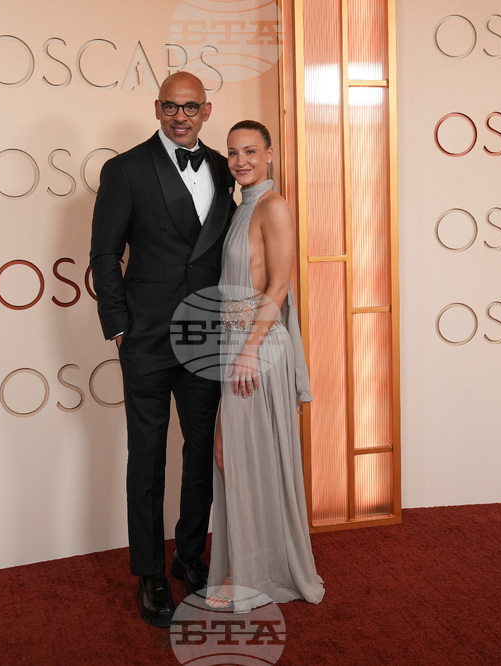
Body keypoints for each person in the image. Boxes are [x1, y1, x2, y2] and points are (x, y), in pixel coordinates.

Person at [89, 72, 236, 628]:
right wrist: (118, 326)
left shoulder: (224, 169)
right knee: (146, 460)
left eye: (191, 107)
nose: (181, 116)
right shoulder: (125, 169)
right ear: (157, 108)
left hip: (205, 337)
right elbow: (105, 255)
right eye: (171, 107)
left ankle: (189, 555)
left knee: (200, 454)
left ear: (207, 110)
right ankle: (149, 572)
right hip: (147, 337)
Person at [206, 120, 325, 612]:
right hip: (234, 343)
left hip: (256, 347)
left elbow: (279, 285)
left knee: (245, 460)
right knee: (233, 457)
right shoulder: (241, 208)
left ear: (270, 154)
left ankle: (255, 577)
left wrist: (251, 350)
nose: (240, 161)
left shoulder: (273, 207)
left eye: (251, 151)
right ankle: (251, 567)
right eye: (233, 153)